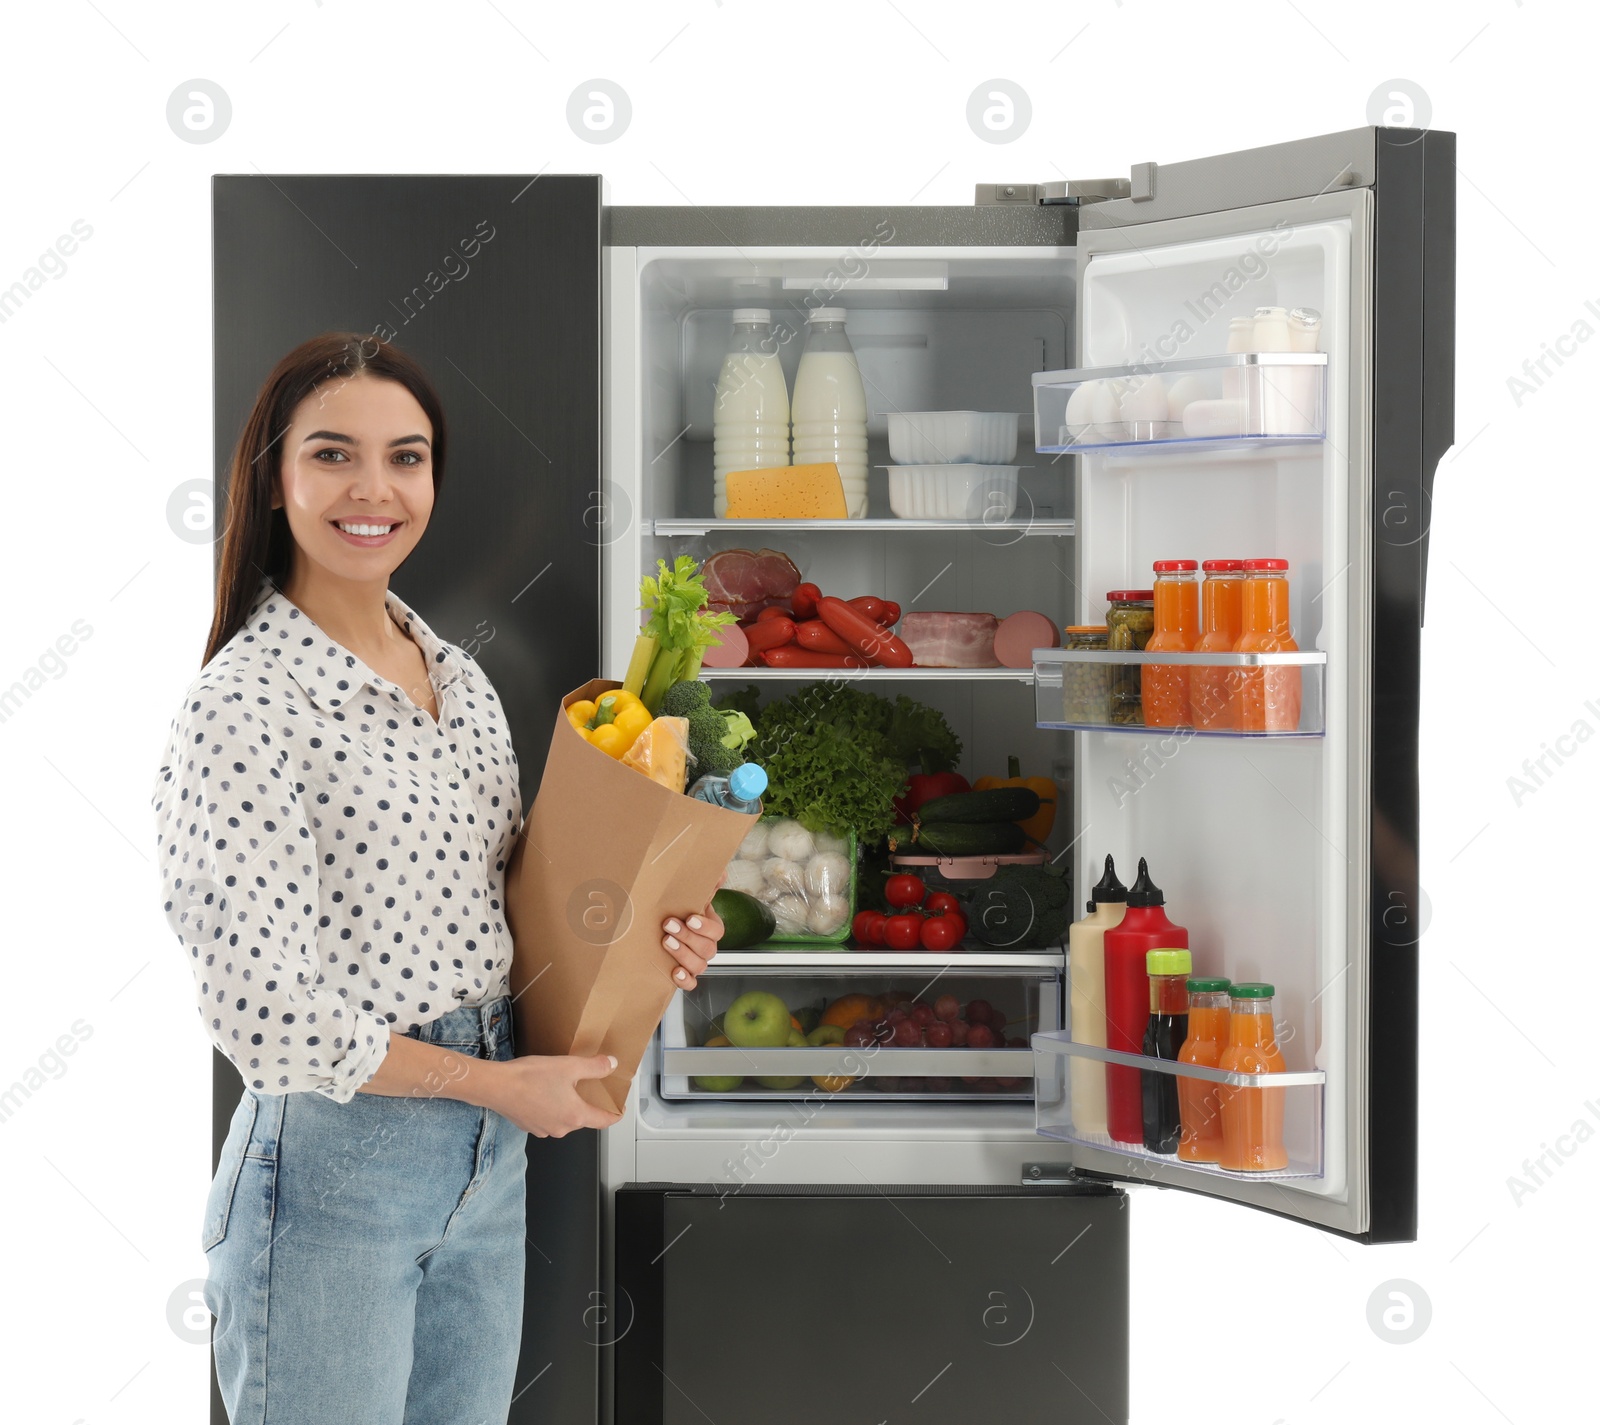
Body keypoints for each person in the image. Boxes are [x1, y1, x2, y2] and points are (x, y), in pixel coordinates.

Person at [150, 331, 723, 1423]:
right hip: (330, 1174)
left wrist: (654, 935)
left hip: (485, 1160)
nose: (374, 490)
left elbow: (518, 906)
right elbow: (261, 1014)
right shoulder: (244, 706)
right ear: (272, 479)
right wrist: (492, 1087)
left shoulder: (453, 678)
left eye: (405, 458)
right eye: (332, 455)